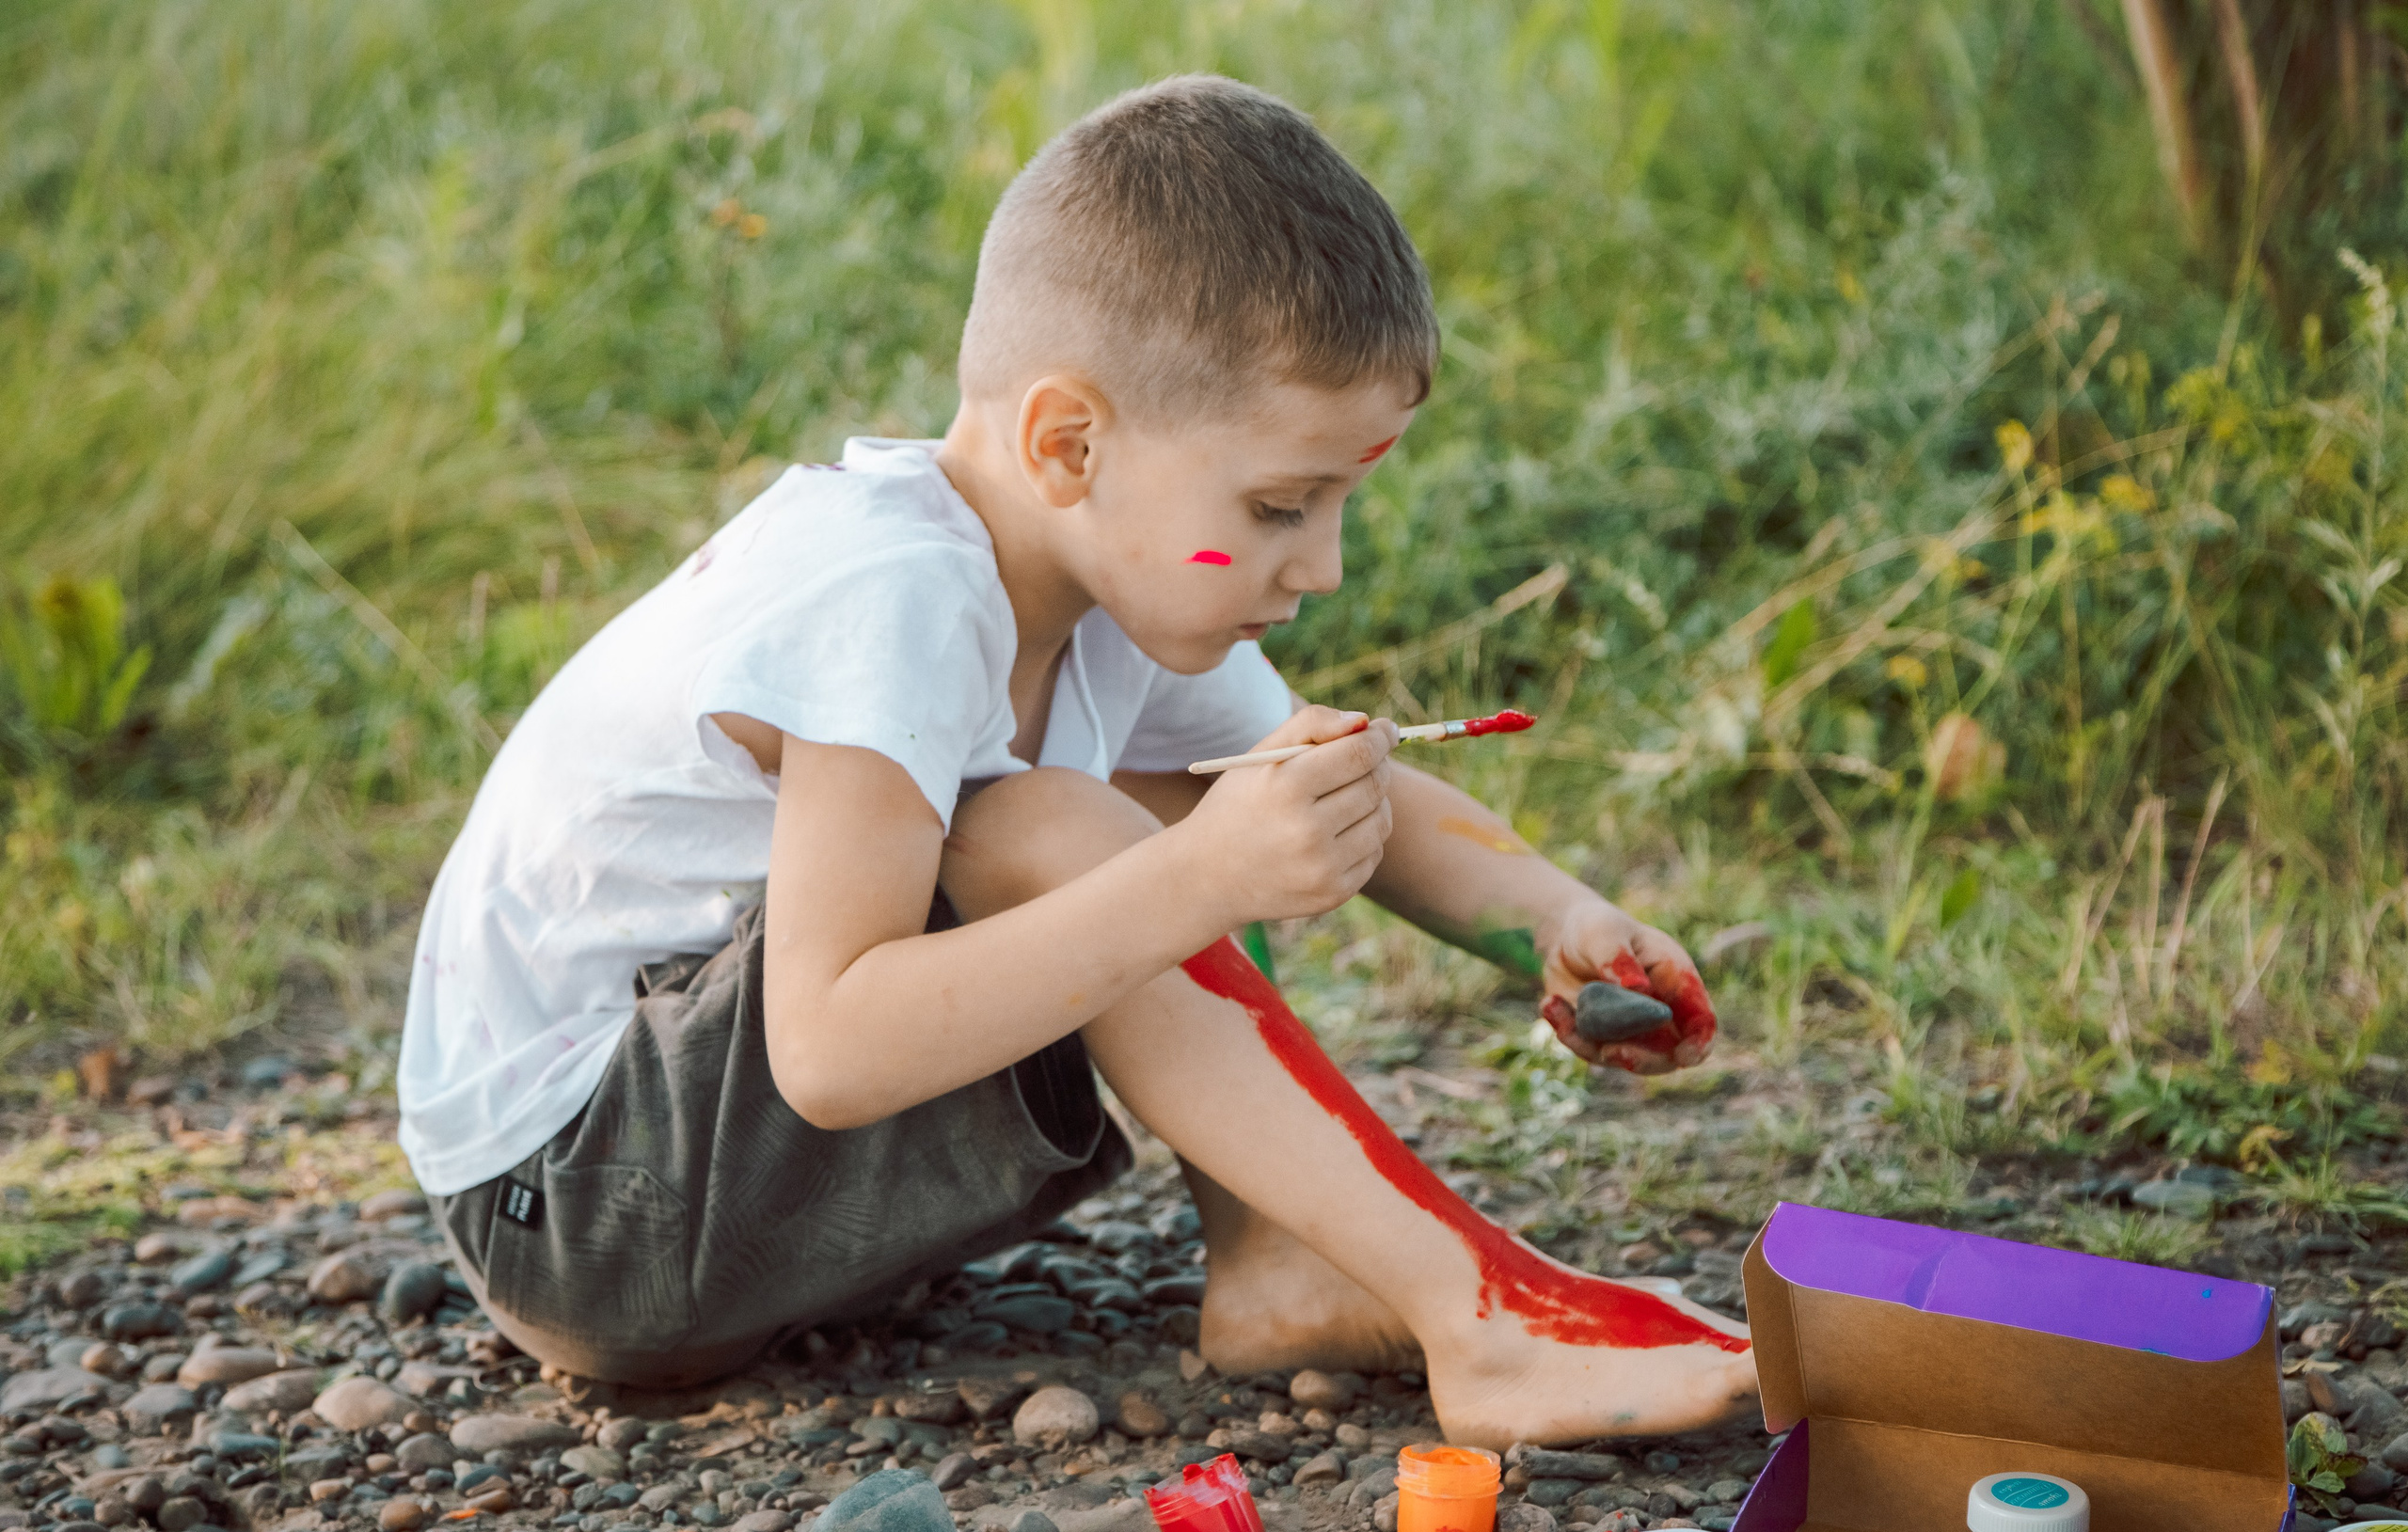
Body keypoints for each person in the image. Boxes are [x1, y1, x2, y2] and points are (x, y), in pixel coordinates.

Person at [397, 72, 1753, 1446]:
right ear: (1070, 443)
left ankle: (1279, 1265)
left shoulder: (1122, 580)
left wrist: (1556, 922)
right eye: (1282, 505)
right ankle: (1482, 1317)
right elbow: (827, 1049)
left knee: (1233, 781)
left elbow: (1351, 791)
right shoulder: (894, 597)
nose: (1325, 565)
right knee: (1051, 825)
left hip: (696, 1165)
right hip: (582, 1205)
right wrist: (1204, 880)